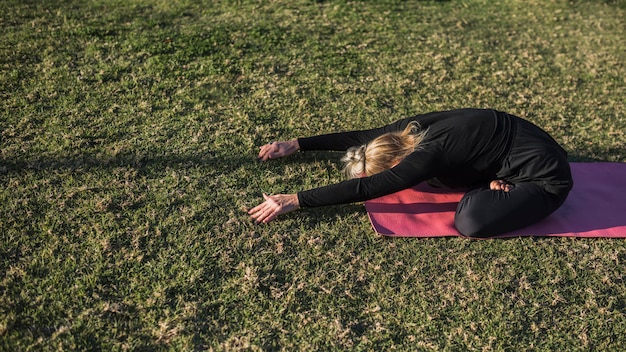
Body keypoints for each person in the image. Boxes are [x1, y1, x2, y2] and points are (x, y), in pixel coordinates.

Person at [248, 108, 573, 238]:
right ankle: (486, 178)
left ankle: (492, 185)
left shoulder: (427, 156)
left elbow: (367, 189)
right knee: (441, 178)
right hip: (528, 139)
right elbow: (361, 136)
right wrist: (297, 144)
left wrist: (296, 200)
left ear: (396, 161)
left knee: (471, 222)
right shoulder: (411, 129)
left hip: (547, 178)